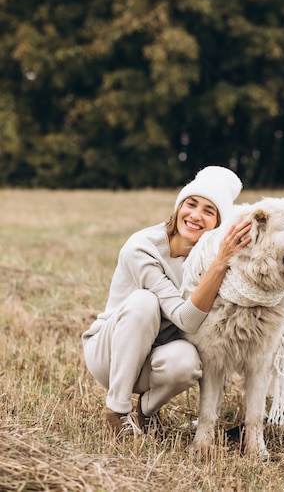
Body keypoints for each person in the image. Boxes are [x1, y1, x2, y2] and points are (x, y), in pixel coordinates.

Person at [82, 166, 251, 438]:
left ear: (219, 225)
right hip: (111, 356)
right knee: (144, 302)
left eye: (209, 211)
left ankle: (146, 412)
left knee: (188, 360)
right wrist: (220, 264)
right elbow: (186, 319)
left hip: (159, 358)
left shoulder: (210, 258)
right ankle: (117, 411)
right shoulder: (142, 247)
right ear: (179, 206)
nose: (195, 215)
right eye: (191, 204)